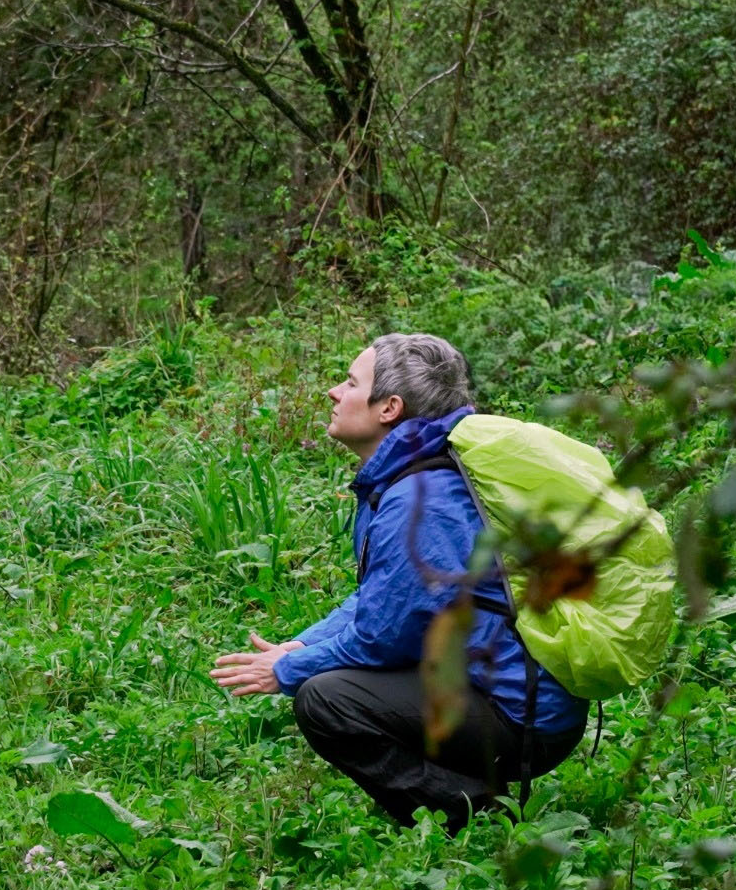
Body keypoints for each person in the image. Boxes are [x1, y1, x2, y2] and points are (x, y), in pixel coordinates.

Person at [210, 332, 588, 832]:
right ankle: (458, 794)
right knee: (328, 680)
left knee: (326, 698)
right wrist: (301, 643)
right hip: (508, 699)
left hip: (521, 718)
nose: (334, 393)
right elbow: (383, 597)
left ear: (389, 408)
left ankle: (470, 816)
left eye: (350, 382)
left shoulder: (421, 499)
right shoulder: (412, 477)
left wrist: (287, 668)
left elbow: (384, 636)